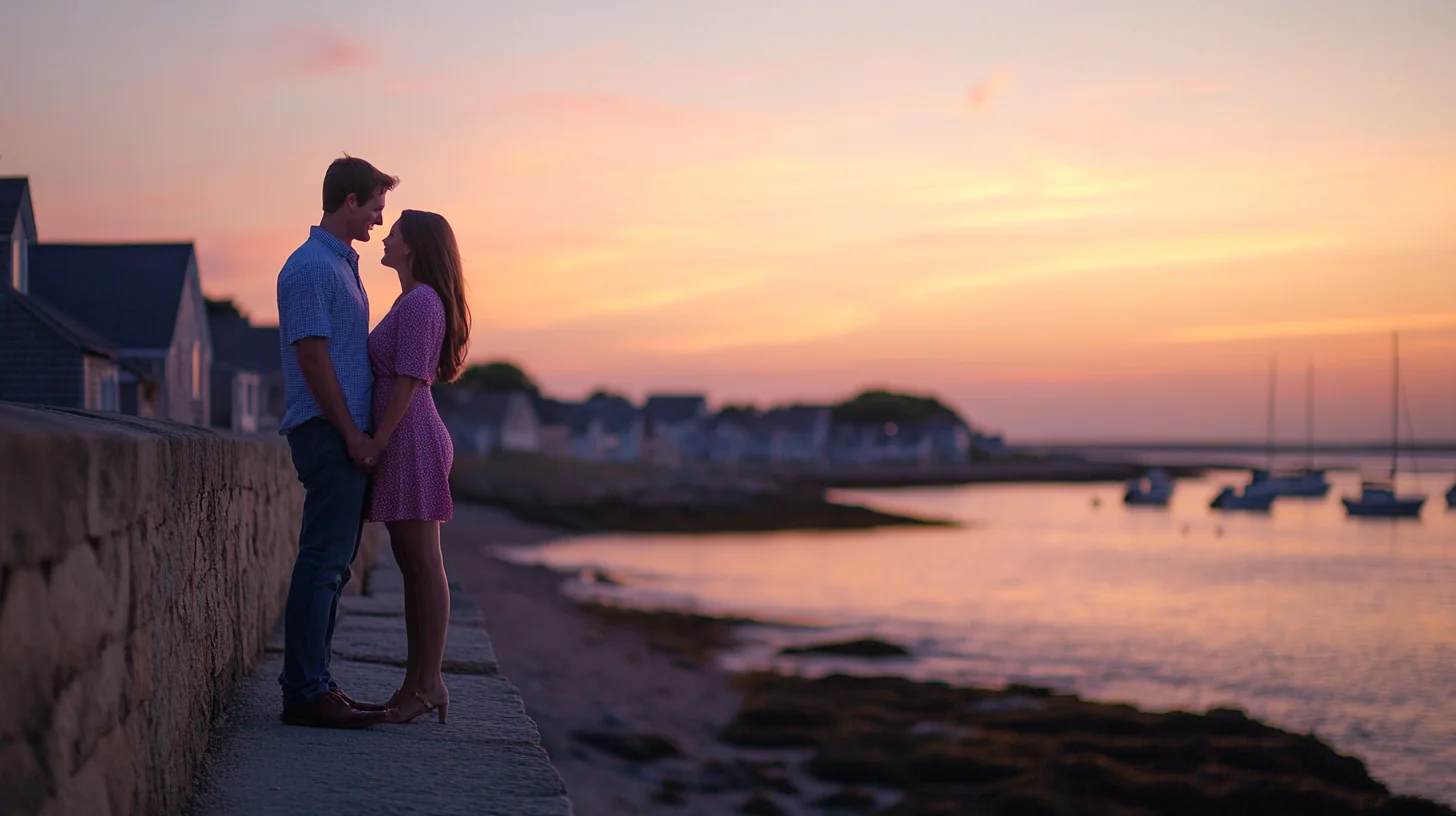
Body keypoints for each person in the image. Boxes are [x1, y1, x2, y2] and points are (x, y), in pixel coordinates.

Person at [275, 156, 398, 728]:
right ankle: (303, 692)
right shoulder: (310, 268)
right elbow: (312, 356)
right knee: (323, 561)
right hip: (327, 434)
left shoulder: (341, 267)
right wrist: (353, 434)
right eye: (375, 205)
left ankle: (316, 683)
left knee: (335, 564)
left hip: (341, 434)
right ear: (349, 200)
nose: (380, 217)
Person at [357, 209, 472, 724]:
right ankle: (416, 685)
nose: (386, 235)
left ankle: (430, 685)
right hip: (406, 437)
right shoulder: (412, 299)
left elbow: (408, 379)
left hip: (410, 438)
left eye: (395, 231)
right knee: (413, 567)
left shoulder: (423, 301)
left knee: (424, 565)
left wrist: (377, 441)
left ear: (414, 246)